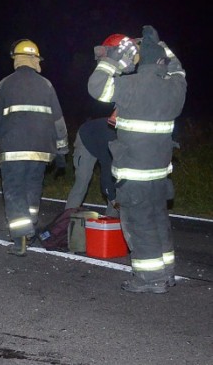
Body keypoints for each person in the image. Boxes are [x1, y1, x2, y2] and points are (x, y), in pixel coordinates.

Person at [88, 26, 186, 293]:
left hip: (134, 172)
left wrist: (115, 60)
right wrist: (162, 47)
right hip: (159, 173)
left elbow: (96, 87)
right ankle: (166, 274)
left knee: (140, 225)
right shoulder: (175, 88)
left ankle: (149, 280)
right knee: (158, 221)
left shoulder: (129, 86)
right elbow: (178, 70)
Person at [0, 39, 70, 256]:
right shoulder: (46, 85)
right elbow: (58, 121)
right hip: (41, 151)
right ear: (35, 60)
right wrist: (62, 151)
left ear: (16, 60)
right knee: (32, 190)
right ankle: (29, 230)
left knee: (14, 192)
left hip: (12, 150)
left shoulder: (5, 84)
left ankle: (20, 236)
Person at [65, 116, 119, 217]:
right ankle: (67, 219)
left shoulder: (130, 142)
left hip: (101, 138)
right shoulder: (111, 141)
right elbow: (107, 175)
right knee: (83, 179)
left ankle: (111, 221)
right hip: (86, 138)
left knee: (118, 184)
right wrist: (113, 199)